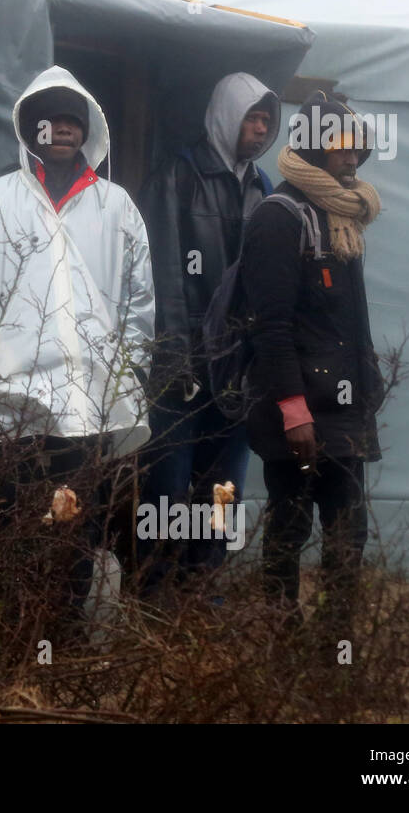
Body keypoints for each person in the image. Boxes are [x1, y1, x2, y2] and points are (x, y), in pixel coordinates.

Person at [0, 65, 154, 640]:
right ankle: (8, 632)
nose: (61, 128)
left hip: (87, 410)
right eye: (50, 118)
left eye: (72, 119)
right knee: (8, 517)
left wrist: (125, 372)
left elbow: (140, 299)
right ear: (30, 128)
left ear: (86, 131)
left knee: (76, 525)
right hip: (9, 405)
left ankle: (58, 633)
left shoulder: (116, 207)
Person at [240, 91, 384, 640]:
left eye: (358, 151)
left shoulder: (344, 217)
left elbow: (351, 323)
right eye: (342, 150)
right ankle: (283, 642)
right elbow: (269, 326)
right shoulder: (278, 218)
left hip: (345, 410)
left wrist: (367, 387)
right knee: (290, 526)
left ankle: (333, 653)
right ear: (311, 147)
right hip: (296, 411)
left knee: (349, 535)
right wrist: (294, 410)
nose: (352, 160)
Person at [136, 72, 279, 597]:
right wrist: (174, 355)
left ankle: (206, 590)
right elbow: (162, 274)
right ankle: (154, 591)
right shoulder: (177, 176)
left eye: (266, 120)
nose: (260, 129)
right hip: (184, 363)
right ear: (226, 115)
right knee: (167, 484)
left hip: (237, 369)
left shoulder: (264, 189)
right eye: (252, 117)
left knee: (223, 488)